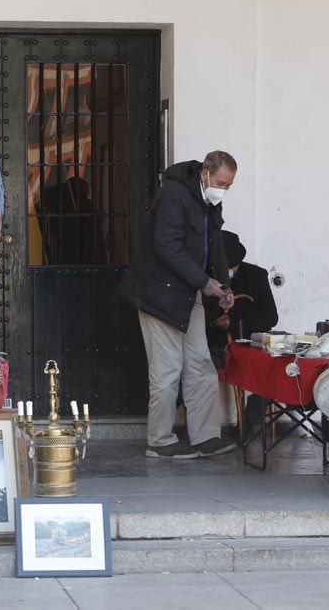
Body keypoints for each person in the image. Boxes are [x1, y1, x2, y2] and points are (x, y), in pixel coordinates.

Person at [120, 150, 239, 459]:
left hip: (189, 293)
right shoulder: (173, 194)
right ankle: (159, 441)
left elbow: (216, 245)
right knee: (167, 370)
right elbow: (166, 246)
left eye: (229, 185)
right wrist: (204, 282)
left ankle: (206, 436)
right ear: (205, 174)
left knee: (200, 364)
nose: (224, 189)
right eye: (222, 183)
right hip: (158, 295)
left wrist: (224, 285)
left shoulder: (209, 200)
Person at [204, 231, 278, 435]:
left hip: (248, 345)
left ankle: (251, 419)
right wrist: (215, 323)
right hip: (216, 347)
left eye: (231, 267)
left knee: (273, 368)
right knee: (191, 366)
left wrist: (234, 322)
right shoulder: (205, 280)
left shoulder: (256, 275)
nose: (228, 271)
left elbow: (270, 317)